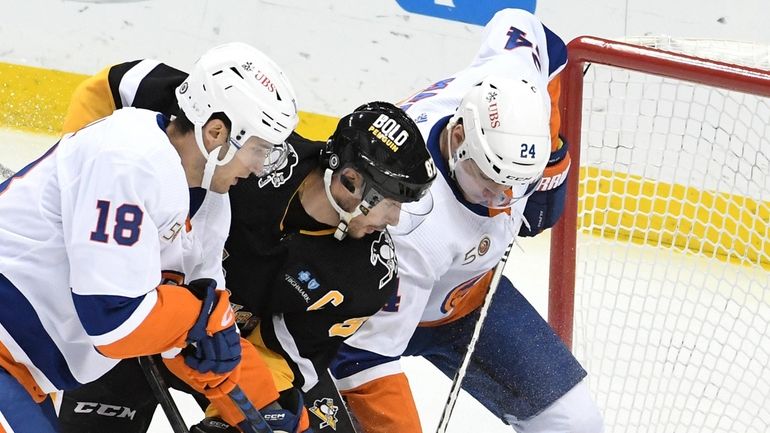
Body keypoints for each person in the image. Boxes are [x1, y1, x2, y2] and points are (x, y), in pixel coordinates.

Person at [53, 50, 436, 432]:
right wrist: (74, 191)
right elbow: (116, 83)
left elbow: (282, 358)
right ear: (351, 181)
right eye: (390, 203)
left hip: (220, 348)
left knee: (291, 422)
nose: (395, 219)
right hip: (137, 311)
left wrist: (230, 418)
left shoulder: (369, 276)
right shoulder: (250, 142)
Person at [0, 41, 299, 433]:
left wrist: (252, 401)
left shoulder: (211, 204)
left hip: (26, 376)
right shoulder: (128, 156)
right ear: (216, 132)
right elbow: (113, 320)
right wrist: (198, 321)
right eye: (258, 149)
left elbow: (194, 320)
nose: (261, 168)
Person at [330, 8, 604, 433]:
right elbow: (361, 359)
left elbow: (530, 31)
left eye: (515, 185)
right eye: (489, 180)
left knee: (576, 424)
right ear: (458, 137)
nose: (500, 200)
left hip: (468, 299)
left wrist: (550, 150)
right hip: (362, 310)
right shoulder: (412, 222)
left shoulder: (509, 80)